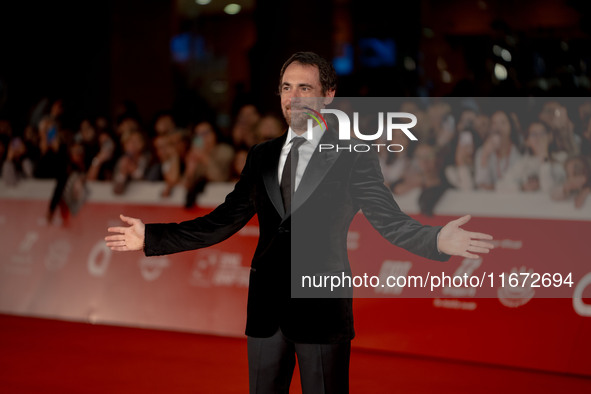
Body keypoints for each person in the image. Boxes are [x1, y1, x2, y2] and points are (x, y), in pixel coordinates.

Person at [105, 52, 494, 394]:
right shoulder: (261, 155)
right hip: (265, 311)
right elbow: (221, 221)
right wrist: (151, 237)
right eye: (287, 87)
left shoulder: (353, 155)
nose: (293, 97)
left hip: (322, 311)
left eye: (304, 88)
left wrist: (437, 240)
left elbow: (388, 220)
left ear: (327, 95)